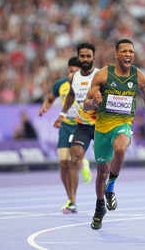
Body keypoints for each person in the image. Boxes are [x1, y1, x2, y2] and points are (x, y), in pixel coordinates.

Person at [84, 39, 145, 229]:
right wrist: (94, 102)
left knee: (120, 147)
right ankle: (99, 207)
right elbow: (86, 103)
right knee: (101, 172)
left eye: (131, 51)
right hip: (102, 128)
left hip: (123, 123)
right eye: (124, 51)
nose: (128, 54)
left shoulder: (138, 77)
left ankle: (111, 187)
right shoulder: (103, 75)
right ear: (117, 54)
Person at [39, 56, 92, 214]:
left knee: (73, 162)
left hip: (80, 125)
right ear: (68, 70)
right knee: (63, 164)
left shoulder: (87, 83)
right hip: (65, 126)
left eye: (76, 70)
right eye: (71, 70)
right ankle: (71, 200)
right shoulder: (60, 85)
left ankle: (82, 164)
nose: (73, 73)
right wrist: (44, 108)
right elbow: (49, 99)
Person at [53, 43, 99, 213]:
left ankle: (104, 197)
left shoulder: (101, 75)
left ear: (93, 57)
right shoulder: (74, 78)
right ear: (79, 58)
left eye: (88, 56)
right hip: (82, 125)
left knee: (105, 165)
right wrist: (62, 115)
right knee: (73, 159)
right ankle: (72, 201)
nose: (85, 59)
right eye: (82, 56)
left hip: (101, 124)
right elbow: (70, 96)